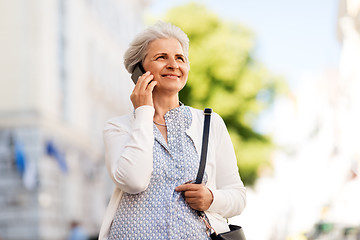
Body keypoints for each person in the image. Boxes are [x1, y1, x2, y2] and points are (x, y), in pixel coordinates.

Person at [99, 21, 246, 240]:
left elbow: (238, 196)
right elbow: (134, 180)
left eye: (180, 58)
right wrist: (144, 112)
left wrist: (211, 198)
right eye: (161, 57)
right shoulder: (118, 127)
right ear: (139, 71)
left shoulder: (210, 123)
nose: (173, 65)